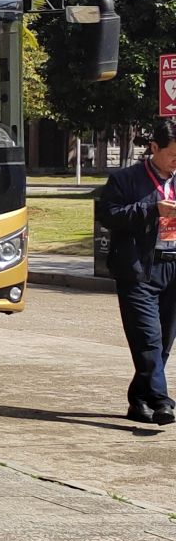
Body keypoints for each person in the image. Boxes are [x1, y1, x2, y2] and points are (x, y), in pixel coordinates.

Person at [96, 118, 176, 426]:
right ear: (154, 147)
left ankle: (139, 399)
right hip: (139, 269)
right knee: (147, 339)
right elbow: (109, 215)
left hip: (173, 266)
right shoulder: (125, 179)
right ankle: (162, 401)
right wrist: (153, 210)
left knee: (163, 341)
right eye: (173, 155)